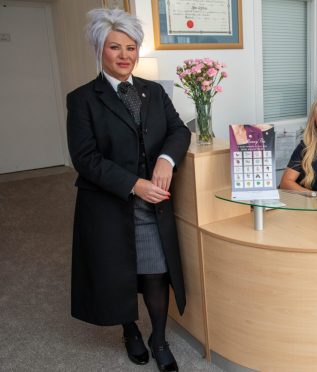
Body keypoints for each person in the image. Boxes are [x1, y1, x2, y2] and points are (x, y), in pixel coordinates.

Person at [66, 8, 191, 372]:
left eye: (131, 47)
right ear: (99, 50)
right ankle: (129, 331)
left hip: (152, 207)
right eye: (115, 47)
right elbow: (85, 158)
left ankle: (159, 337)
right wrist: (135, 184)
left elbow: (178, 130)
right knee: (118, 272)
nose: (125, 56)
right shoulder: (83, 99)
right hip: (110, 204)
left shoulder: (154, 92)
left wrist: (167, 159)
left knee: (156, 272)